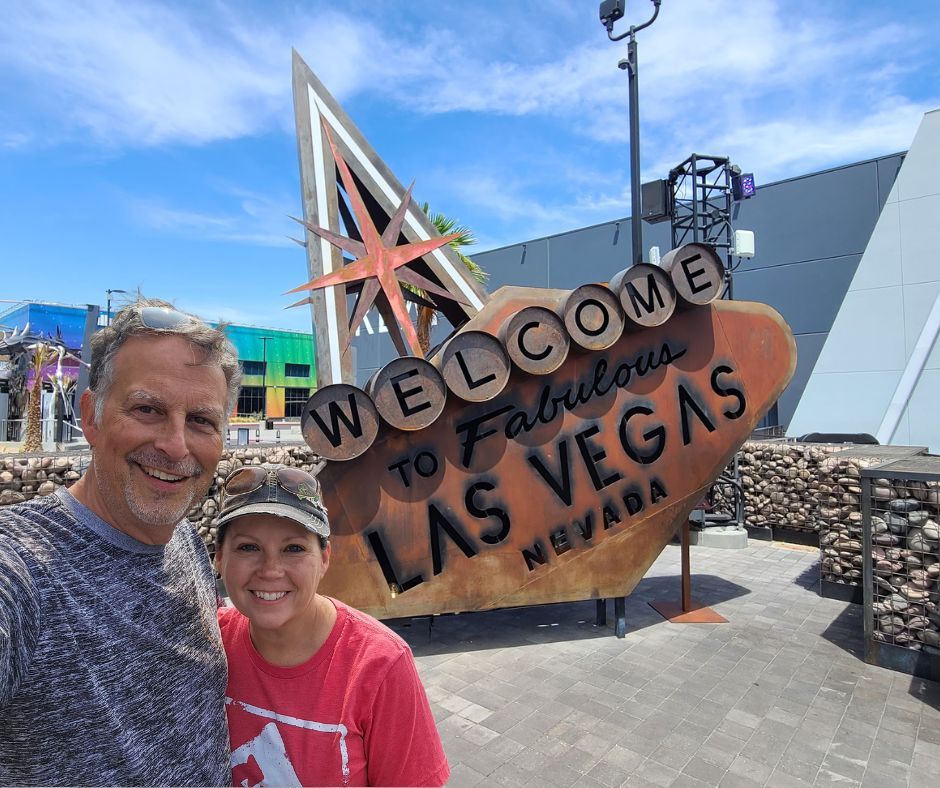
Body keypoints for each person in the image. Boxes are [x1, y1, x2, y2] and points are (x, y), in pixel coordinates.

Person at [0, 298, 241, 786]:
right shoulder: (23, 566)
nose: (176, 446)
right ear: (91, 416)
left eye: (201, 420)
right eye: (148, 409)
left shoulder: (186, 543)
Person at [214, 463, 450, 787]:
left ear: (325, 557)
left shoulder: (381, 666)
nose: (270, 570)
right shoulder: (209, 643)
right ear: (219, 558)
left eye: (293, 548)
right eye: (248, 547)